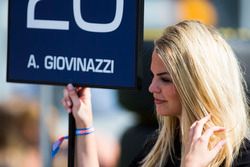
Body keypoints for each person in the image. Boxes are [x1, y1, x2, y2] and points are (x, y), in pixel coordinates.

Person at [61, 20, 250, 167]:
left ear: (197, 85)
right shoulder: (158, 150)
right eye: (153, 76)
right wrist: (84, 122)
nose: (151, 88)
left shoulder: (243, 158)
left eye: (165, 79)